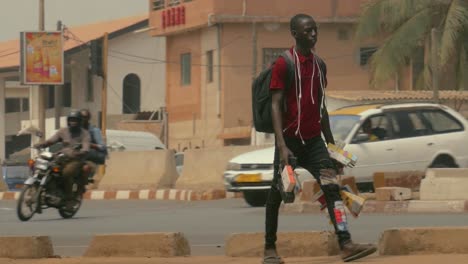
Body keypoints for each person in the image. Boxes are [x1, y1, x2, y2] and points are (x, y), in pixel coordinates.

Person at [264, 14, 377, 263]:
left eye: (315, 30)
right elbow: (275, 105)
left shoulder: (320, 65)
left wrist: (331, 145)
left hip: (314, 143)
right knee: (276, 193)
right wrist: (281, 147)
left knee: (331, 188)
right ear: (294, 33)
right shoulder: (284, 64)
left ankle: (345, 243)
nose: (313, 35)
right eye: (307, 31)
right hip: (289, 142)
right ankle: (269, 249)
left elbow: (322, 107)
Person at [34, 110, 91, 209]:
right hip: (61, 157)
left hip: (76, 159)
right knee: (46, 167)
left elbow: (86, 145)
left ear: (80, 122)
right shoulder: (63, 131)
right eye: (71, 120)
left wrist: (83, 150)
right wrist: (41, 144)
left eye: (75, 120)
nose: (73, 122)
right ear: (68, 121)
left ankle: (69, 197)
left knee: (66, 173)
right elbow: (51, 140)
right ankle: (44, 190)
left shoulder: (84, 133)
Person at [80, 109, 107, 180]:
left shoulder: (94, 130)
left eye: (84, 117)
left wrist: (91, 145)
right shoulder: (75, 130)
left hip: (90, 158)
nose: (82, 119)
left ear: (88, 118)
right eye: (80, 116)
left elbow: (102, 147)